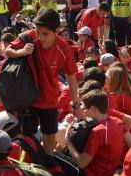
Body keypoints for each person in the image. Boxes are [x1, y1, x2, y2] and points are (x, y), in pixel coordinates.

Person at [5, 8, 80, 152]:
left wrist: (75, 102)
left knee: (49, 139)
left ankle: (47, 166)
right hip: (28, 98)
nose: (40, 37)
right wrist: (21, 52)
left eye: (45, 33)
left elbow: (71, 76)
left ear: (56, 30)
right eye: (38, 32)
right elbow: (7, 51)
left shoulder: (63, 48)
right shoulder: (28, 37)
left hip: (50, 100)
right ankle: (31, 167)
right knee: (29, 138)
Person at [64, 90, 131, 176]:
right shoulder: (117, 122)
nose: (83, 111)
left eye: (84, 108)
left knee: (52, 155)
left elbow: (81, 163)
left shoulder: (98, 131)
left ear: (93, 109)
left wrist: (67, 140)